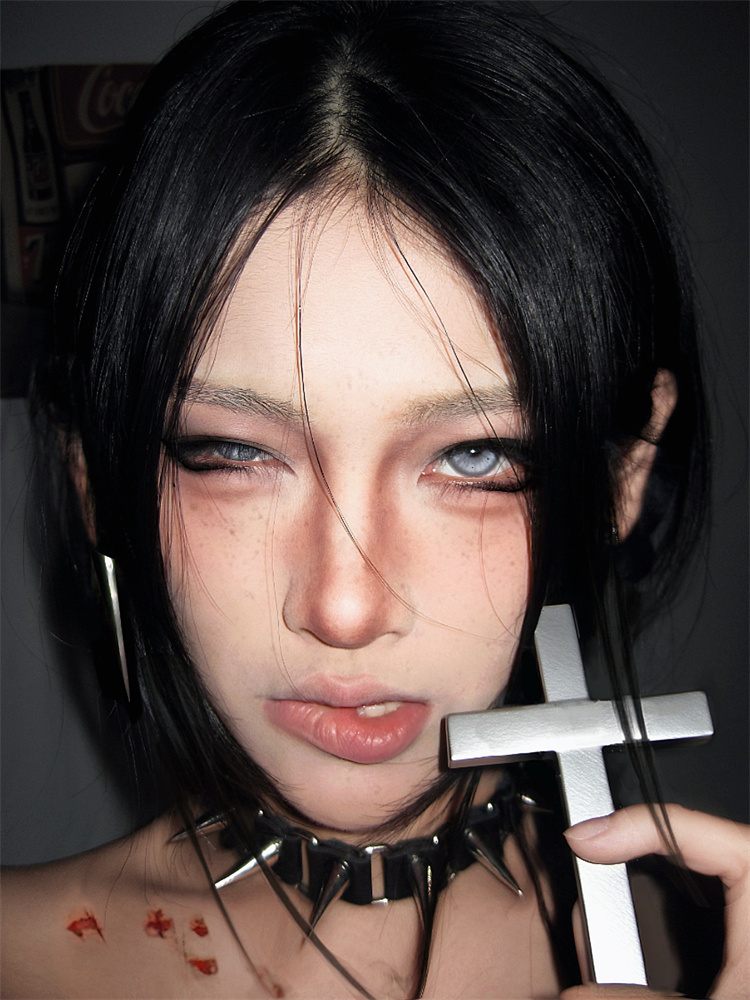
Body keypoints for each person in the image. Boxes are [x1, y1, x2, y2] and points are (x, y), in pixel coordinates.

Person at [1, 2, 747, 997]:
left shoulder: (704, 951)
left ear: (625, 472)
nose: (345, 608)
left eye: (476, 456)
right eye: (229, 451)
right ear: (97, 478)